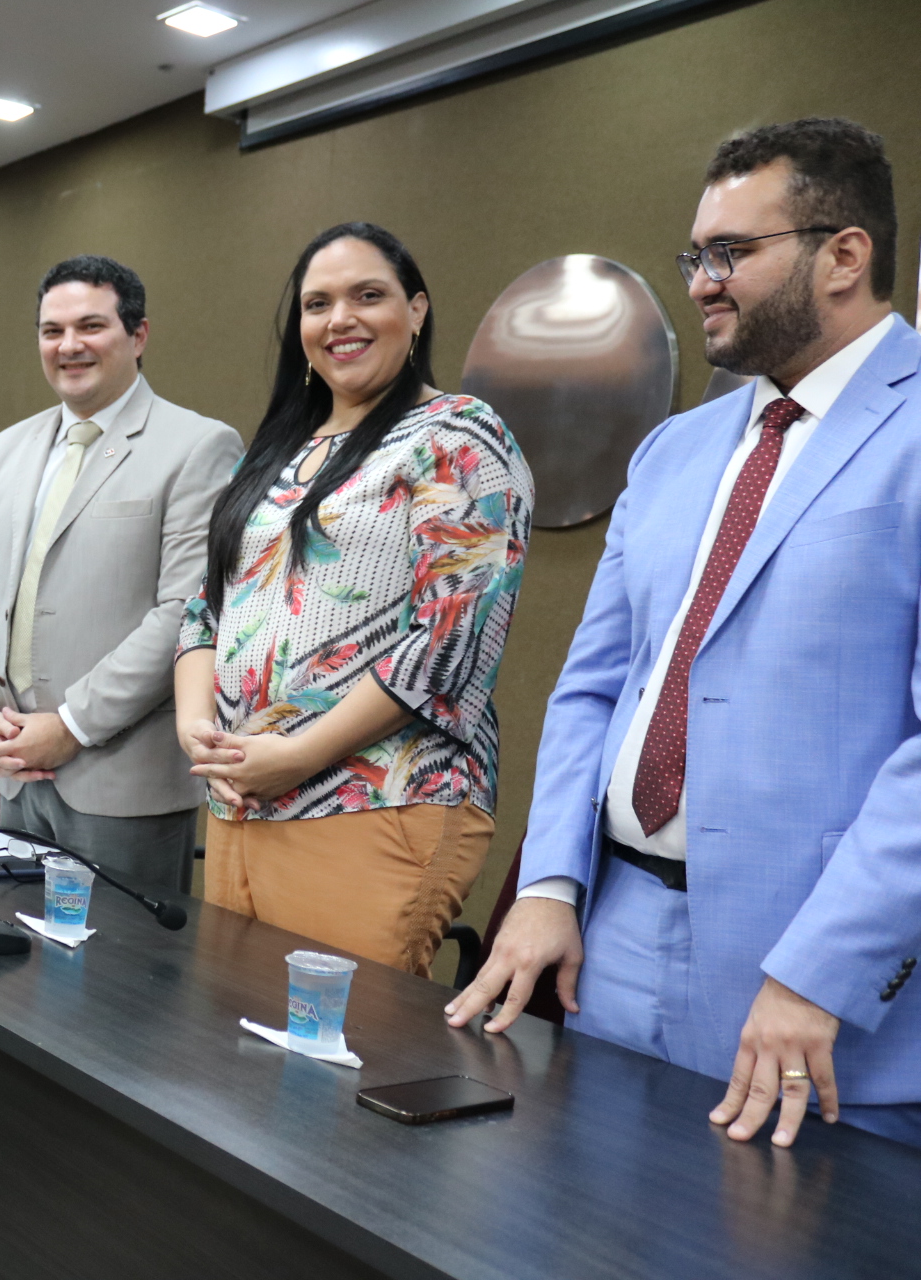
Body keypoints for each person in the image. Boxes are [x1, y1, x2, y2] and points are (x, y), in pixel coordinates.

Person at [449, 118, 921, 1151]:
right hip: (609, 945)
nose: (703, 282)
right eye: (695, 256)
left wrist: (821, 972)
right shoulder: (674, 448)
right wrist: (549, 883)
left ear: (846, 254)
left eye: (731, 253)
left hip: (808, 991)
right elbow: (592, 686)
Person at [174, 223, 532, 977]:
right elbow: (204, 611)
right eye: (318, 304)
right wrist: (196, 728)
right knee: (230, 1037)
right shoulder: (274, 453)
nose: (340, 319)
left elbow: (448, 643)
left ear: (417, 310)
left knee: (340, 1040)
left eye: (368, 295)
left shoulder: (458, 434)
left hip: (375, 800)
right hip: (241, 799)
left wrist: (296, 755)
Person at [0, 255, 242, 897]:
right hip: (15, 768)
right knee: (11, 952)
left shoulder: (199, 445)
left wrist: (70, 726)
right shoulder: (6, 450)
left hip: (121, 781)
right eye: (51, 331)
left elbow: (185, 612)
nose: (69, 346)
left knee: (117, 959)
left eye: (90, 326)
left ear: (138, 336)